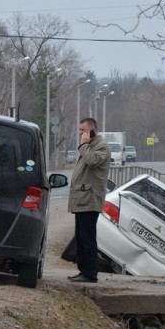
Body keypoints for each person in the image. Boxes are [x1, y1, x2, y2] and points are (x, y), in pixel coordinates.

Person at [67, 117, 111, 283]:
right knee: (81, 237)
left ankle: (90, 273)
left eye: (83, 130)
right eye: (80, 131)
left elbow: (92, 162)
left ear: (92, 130)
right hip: (82, 199)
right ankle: (83, 270)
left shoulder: (101, 146)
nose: (81, 134)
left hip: (90, 200)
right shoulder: (90, 146)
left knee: (88, 238)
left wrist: (84, 145)